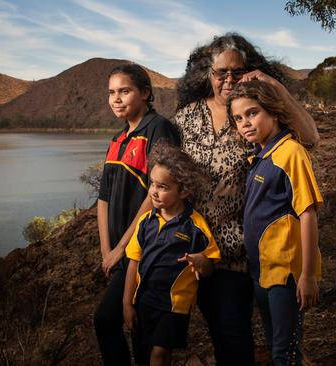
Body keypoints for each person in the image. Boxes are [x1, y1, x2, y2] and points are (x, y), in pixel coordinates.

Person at [174, 32, 320, 365]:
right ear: (207, 74)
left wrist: (274, 86)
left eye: (236, 72)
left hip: (242, 249)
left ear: (248, 72)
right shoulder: (187, 117)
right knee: (218, 330)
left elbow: (310, 138)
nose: (228, 79)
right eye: (220, 72)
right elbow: (167, 171)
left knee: (237, 330)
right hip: (198, 245)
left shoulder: (255, 114)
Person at [227, 80, 323, 365]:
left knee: (286, 353)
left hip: (287, 275)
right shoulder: (260, 155)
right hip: (262, 272)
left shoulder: (291, 153)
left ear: (274, 113)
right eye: (238, 118)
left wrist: (306, 275)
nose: (245, 123)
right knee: (273, 347)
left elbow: (307, 213)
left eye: (252, 113)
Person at [94, 64, 181, 366]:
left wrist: (121, 248)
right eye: (111, 92)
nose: (116, 99)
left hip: (147, 249)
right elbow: (103, 199)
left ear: (145, 93)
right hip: (119, 253)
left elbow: (157, 194)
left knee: (109, 321)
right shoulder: (118, 140)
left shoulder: (158, 129)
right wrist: (107, 250)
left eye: (125, 91)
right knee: (131, 326)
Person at [123, 142, 221, 366]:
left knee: (159, 354)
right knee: (143, 356)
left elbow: (209, 267)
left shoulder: (195, 226)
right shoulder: (145, 222)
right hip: (143, 301)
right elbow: (133, 263)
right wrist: (126, 303)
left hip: (173, 305)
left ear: (183, 190)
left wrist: (201, 261)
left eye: (163, 187)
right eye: (152, 184)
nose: (154, 192)